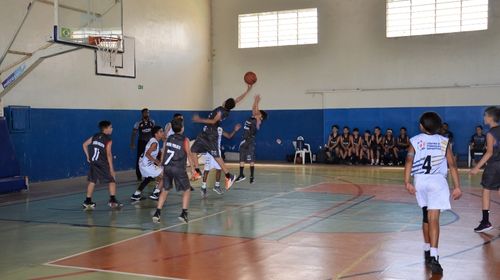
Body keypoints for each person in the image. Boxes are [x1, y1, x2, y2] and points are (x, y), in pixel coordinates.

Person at [404, 112, 462, 276]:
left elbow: (409, 160)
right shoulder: (444, 142)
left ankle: (426, 248)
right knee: (433, 218)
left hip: (421, 181)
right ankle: (434, 257)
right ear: (438, 127)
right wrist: (457, 186)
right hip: (437, 182)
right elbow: (452, 165)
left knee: (425, 215)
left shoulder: (415, 141)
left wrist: (407, 181)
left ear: (421, 126)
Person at [191, 84, 252, 190]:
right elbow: (237, 100)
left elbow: (214, 121)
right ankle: (197, 171)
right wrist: (247, 90)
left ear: (225, 102)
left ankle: (229, 176)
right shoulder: (227, 110)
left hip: (211, 133)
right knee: (193, 150)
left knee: (216, 157)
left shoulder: (220, 111)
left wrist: (199, 120)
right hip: (206, 132)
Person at [153, 119, 198, 223]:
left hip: (167, 167)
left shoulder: (168, 138)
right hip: (178, 168)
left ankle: (157, 212)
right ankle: (184, 213)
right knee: (186, 189)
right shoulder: (185, 139)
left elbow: (163, 151)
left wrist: (162, 165)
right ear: (182, 128)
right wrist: (193, 169)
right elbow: (189, 154)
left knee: (165, 190)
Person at [470, 107, 500, 233]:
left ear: (490, 118)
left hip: (494, 165)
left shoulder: (490, 133)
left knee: (486, 191)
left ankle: (486, 221)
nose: (483, 118)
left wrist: (477, 167)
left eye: (485, 115)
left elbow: (489, 153)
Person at [82, 120, 123, 209]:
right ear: (106, 129)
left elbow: (84, 144)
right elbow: (108, 154)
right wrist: (112, 169)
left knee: (92, 181)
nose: (112, 129)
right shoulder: (108, 140)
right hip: (102, 163)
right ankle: (112, 201)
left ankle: (87, 201)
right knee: (112, 180)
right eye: (111, 127)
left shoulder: (95, 136)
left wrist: (88, 157)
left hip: (94, 162)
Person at [201, 123, 242, 197]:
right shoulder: (206, 127)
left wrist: (235, 130)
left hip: (217, 152)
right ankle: (203, 187)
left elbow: (229, 136)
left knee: (219, 168)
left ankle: (217, 186)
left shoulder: (220, 129)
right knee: (206, 170)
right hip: (209, 152)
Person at [236, 94, 268, 184]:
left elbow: (256, 110)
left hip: (250, 140)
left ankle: (252, 176)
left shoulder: (258, 120)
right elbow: (254, 108)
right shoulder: (253, 116)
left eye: (259, 113)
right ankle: (241, 175)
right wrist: (255, 101)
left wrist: (257, 102)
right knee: (241, 158)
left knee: (251, 159)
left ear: (261, 116)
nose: (257, 112)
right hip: (244, 139)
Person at [131, 126, 165, 202]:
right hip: (146, 164)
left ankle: (136, 195)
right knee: (165, 175)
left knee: (148, 178)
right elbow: (147, 154)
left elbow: (151, 154)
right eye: (161, 131)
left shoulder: (153, 140)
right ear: (156, 134)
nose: (163, 133)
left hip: (143, 162)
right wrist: (157, 162)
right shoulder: (154, 143)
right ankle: (155, 193)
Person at [131, 108, 156, 181]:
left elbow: (154, 133)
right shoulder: (138, 123)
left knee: (150, 158)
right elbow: (134, 134)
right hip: (141, 142)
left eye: (148, 112)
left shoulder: (152, 122)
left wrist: (155, 142)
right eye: (145, 113)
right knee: (140, 159)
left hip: (150, 143)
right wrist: (132, 143)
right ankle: (139, 176)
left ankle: (150, 175)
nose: (147, 114)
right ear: (142, 114)